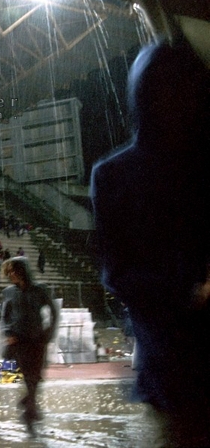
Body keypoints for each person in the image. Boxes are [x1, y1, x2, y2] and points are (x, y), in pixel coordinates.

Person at [90, 38, 210, 447]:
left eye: (188, 87)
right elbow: (118, 273)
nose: (180, 100)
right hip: (174, 368)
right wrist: (191, 293)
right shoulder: (115, 175)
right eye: (167, 88)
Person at [0, 257, 57, 436]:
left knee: (36, 376)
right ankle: (30, 413)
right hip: (19, 339)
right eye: (9, 272)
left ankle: (28, 403)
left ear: (23, 271)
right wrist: (8, 333)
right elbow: (4, 316)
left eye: (15, 271)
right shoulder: (8, 292)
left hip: (38, 338)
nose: (11, 275)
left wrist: (49, 333)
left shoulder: (40, 289)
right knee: (29, 377)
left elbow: (53, 312)